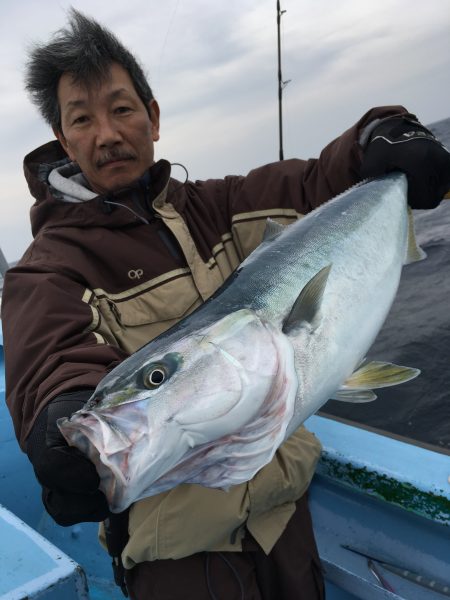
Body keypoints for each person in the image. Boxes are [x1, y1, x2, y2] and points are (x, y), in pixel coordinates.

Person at [2, 9, 449, 600]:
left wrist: (381, 134)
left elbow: (317, 183)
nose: (106, 134)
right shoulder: (50, 267)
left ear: (153, 117)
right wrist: (64, 419)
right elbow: (50, 359)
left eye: (122, 109)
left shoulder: (216, 205)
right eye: (81, 119)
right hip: (183, 560)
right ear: (62, 140)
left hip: (286, 521)